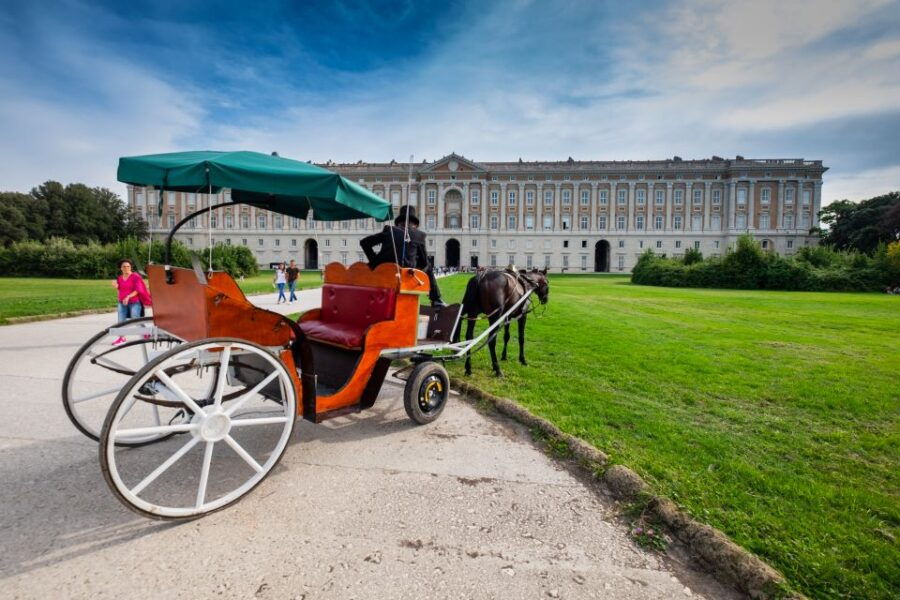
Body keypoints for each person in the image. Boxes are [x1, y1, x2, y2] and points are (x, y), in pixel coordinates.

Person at [360, 205, 446, 306]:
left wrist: (375, 262)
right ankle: (436, 299)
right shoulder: (419, 235)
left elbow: (364, 242)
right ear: (415, 224)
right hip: (407, 276)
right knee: (428, 266)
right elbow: (424, 263)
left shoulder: (390, 230)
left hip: (383, 272)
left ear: (398, 223)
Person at [111, 259, 151, 345]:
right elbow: (120, 289)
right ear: (121, 268)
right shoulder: (120, 278)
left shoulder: (135, 276)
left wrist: (128, 297)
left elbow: (138, 290)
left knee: (135, 318)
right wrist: (116, 287)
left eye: (128, 266)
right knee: (121, 320)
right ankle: (121, 338)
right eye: (124, 266)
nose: (126, 268)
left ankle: (146, 333)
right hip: (122, 302)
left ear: (131, 267)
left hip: (134, 302)